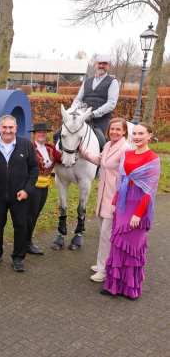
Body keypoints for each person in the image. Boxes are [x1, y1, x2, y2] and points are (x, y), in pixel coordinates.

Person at [101, 123, 160, 300]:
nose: (137, 137)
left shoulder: (153, 158)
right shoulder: (127, 154)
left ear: (149, 135)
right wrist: (114, 202)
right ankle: (113, 285)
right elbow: (121, 182)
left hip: (139, 206)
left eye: (141, 133)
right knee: (117, 244)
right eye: (135, 133)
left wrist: (138, 214)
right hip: (123, 205)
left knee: (133, 247)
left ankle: (130, 288)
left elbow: (150, 190)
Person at [80, 118, 131, 282]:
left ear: (124, 131)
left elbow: (127, 177)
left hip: (114, 199)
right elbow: (100, 160)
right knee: (103, 233)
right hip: (103, 196)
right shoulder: (109, 145)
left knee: (106, 235)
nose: (114, 132)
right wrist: (83, 151)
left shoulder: (125, 149)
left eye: (118, 129)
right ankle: (103, 262)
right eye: (112, 129)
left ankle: (103, 269)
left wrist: (120, 201)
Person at [0, 115, 38, 272]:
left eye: (11, 127)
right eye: (4, 127)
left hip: (20, 195)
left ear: (16, 128)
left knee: (20, 226)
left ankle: (18, 257)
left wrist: (27, 190)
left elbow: (34, 169)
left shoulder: (26, 145)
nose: (7, 130)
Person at [70, 54, 120, 148]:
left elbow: (111, 103)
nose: (101, 66)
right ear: (95, 65)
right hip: (82, 116)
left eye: (104, 64)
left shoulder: (113, 82)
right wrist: (72, 111)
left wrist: (93, 114)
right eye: (99, 63)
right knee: (62, 133)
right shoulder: (87, 81)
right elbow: (78, 99)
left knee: (101, 141)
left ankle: (102, 159)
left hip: (101, 120)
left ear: (108, 66)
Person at [26, 122, 60, 256]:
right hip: (32, 186)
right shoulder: (29, 148)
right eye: (39, 132)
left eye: (44, 132)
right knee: (29, 215)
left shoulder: (50, 148)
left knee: (35, 215)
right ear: (34, 134)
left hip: (44, 187)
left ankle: (27, 241)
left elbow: (63, 158)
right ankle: (26, 243)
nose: (42, 134)